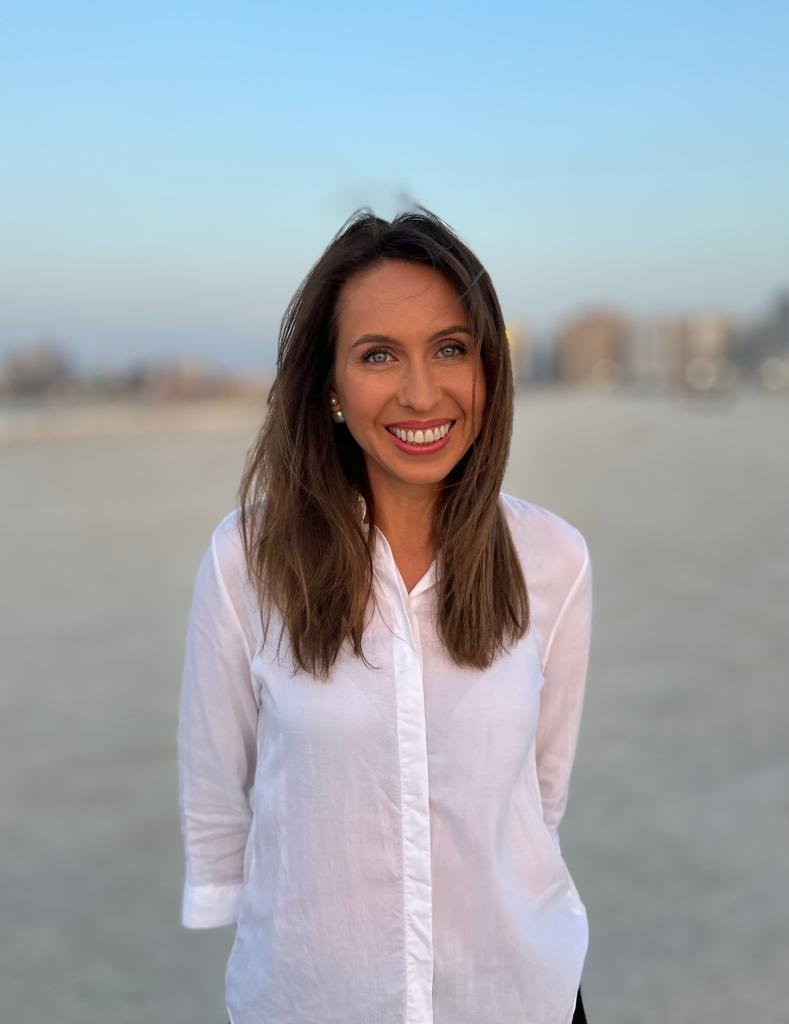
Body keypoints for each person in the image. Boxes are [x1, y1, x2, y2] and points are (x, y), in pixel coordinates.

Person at [177, 207, 593, 1024]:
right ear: (329, 385)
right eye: (378, 355)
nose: (421, 392)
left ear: (488, 369)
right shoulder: (245, 560)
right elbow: (217, 783)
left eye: (450, 348)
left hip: (515, 995)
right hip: (312, 1000)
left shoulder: (554, 559)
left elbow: (538, 798)